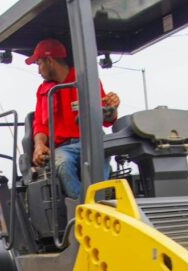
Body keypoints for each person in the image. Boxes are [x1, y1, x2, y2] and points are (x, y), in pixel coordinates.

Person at [27, 38, 120, 199]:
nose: (38, 70)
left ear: (50, 61)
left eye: (39, 63)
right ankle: (89, 205)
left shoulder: (87, 81)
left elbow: (106, 118)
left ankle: (97, 199)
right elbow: (41, 126)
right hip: (63, 148)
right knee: (63, 163)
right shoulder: (44, 91)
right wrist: (39, 144)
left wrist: (112, 107)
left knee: (103, 148)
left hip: (90, 141)